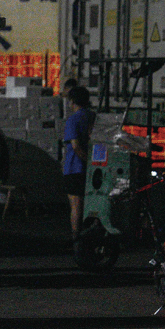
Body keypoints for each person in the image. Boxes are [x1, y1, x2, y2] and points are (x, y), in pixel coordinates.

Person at [64, 86, 93, 239]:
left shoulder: (73, 120)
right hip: (94, 169)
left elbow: (75, 146)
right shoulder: (93, 117)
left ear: (73, 101)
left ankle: (76, 238)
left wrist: (86, 160)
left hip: (74, 168)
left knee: (76, 205)